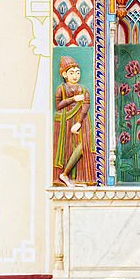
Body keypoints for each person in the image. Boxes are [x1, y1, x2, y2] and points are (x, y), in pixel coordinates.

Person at [53, 56, 94, 187]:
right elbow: (58, 105)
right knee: (67, 149)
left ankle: (67, 175)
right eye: (71, 72)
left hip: (80, 121)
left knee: (83, 146)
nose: (75, 75)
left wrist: (79, 123)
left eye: (77, 72)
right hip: (65, 121)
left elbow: (86, 106)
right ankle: (65, 176)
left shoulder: (83, 89)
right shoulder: (62, 88)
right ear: (64, 74)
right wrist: (74, 99)